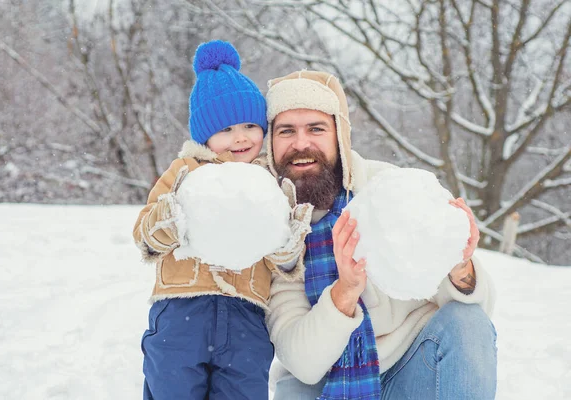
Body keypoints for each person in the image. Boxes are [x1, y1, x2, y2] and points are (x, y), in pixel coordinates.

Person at [263, 70, 497, 399]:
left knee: (467, 322)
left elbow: (474, 318)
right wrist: (344, 292)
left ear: (339, 136)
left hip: (412, 367)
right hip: (326, 382)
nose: (301, 144)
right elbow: (301, 361)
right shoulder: (272, 228)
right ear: (271, 143)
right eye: (287, 131)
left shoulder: (387, 189)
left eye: (316, 129)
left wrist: (459, 267)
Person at [132, 41, 312, 400]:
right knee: (172, 386)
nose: (241, 137)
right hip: (182, 308)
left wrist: (287, 245)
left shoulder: (271, 183)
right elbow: (144, 235)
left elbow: (285, 261)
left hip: (247, 316)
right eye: (226, 129)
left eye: (249, 124)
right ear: (205, 134)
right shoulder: (185, 172)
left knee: (242, 390)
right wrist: (170, 217)